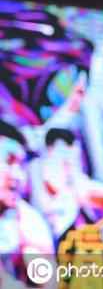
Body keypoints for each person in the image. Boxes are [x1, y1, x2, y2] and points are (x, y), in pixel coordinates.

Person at [29, 128, 103, 242]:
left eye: (72, 153)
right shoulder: (36, 169)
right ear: (50, 149)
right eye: (63, 152)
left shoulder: (76, 176)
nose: (68, 159)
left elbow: (90, 190)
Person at [0, 120, 54, 281]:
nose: (18, 176)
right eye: (9, 161)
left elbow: (50, 283)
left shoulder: (29, 222)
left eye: (22, 165)